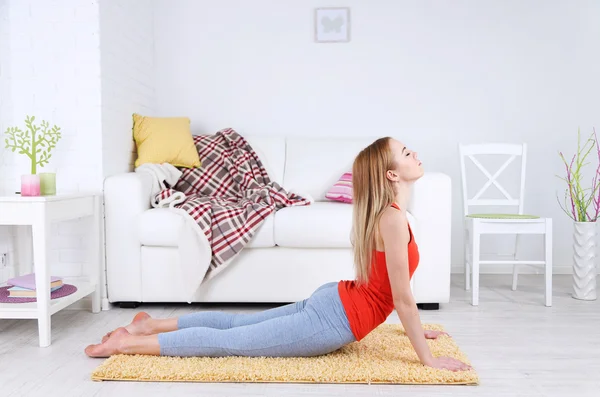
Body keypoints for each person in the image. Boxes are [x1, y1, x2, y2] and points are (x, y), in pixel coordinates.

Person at [85, 137, 471, 372]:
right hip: (334, 319)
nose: (415, 153)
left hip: (333, 301)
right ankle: (128, 343)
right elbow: (402, 298)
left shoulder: (387, 215)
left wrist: (418, 330)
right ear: (391, 174)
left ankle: (149, 325)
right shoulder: (393, 219)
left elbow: (391, 294)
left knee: (238, 326)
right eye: (407, 152)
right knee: (232, 342)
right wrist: (427, 358)